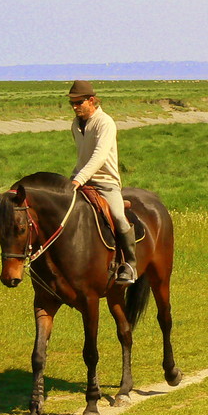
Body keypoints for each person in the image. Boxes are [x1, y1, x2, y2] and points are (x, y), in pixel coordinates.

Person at [68, 80, 137, 284]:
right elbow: (82, 156)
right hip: (80, 180)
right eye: (72, 103)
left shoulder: (105, 122)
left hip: (106, 182)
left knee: (117, 216)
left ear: (91, 100)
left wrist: (78, 180)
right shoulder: (75, 124)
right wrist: (74, 179)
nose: (74, 107)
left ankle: (130, 265)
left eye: (78, 102)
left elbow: (98, 156)